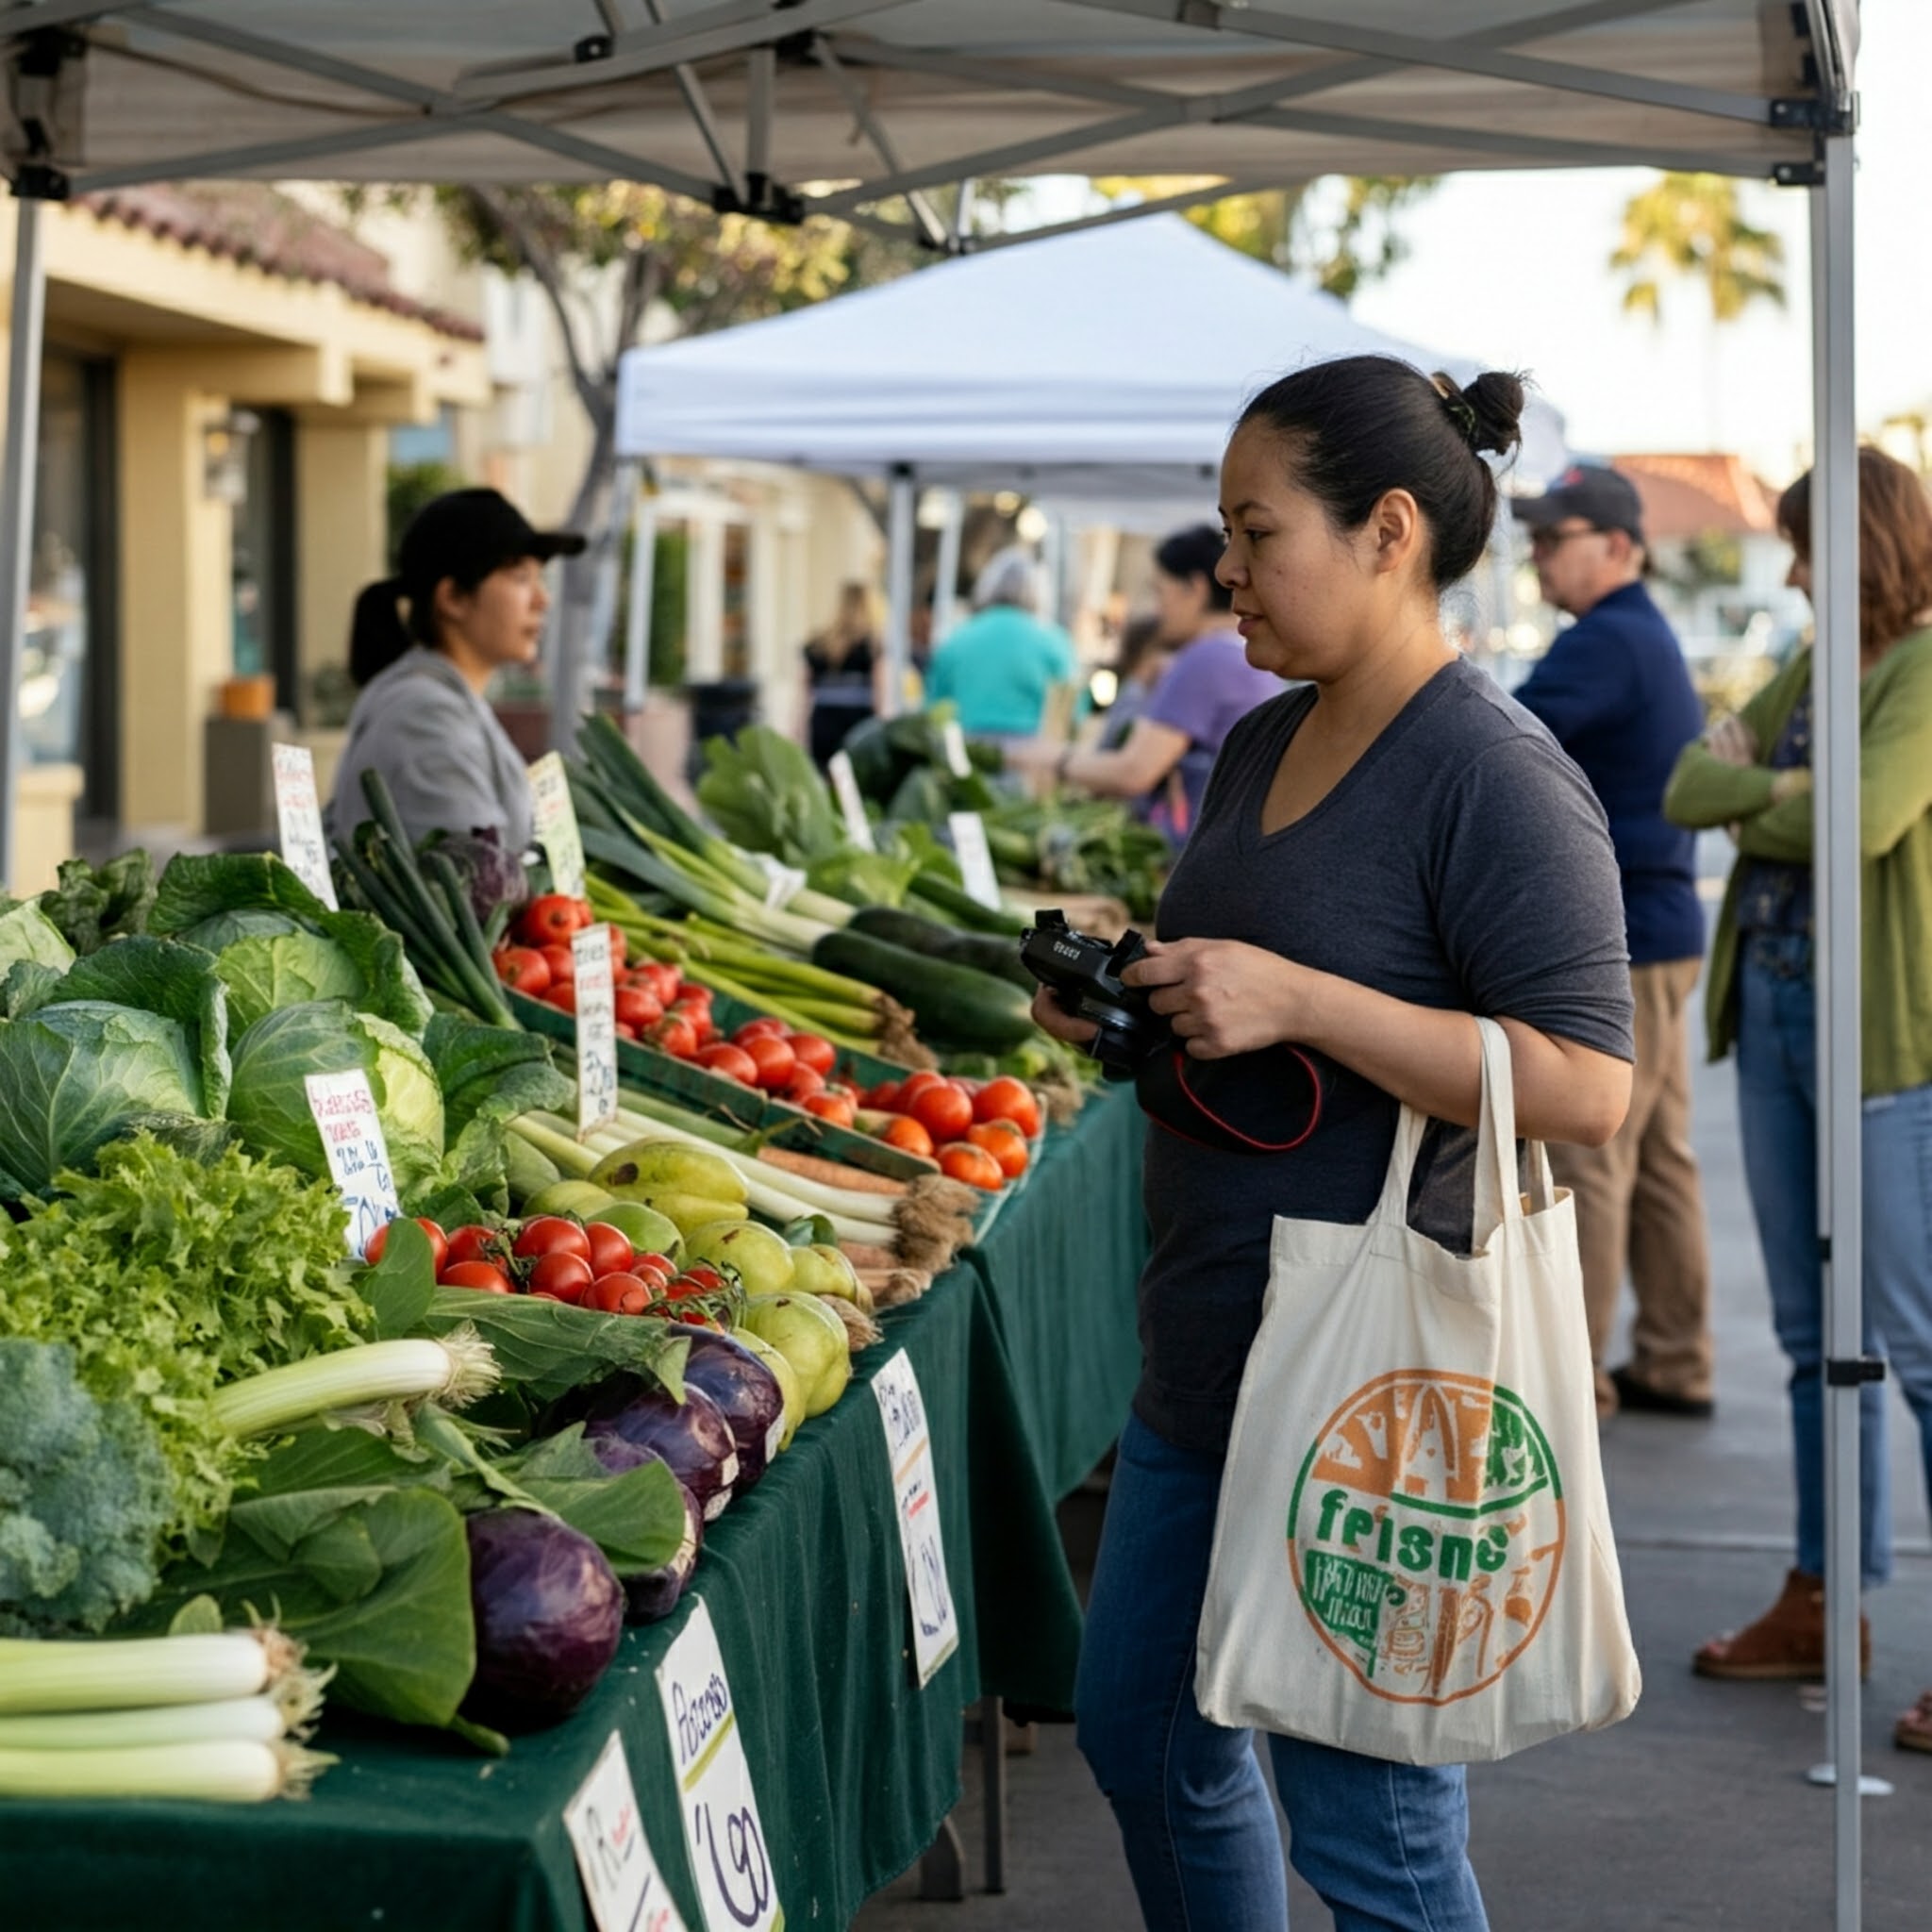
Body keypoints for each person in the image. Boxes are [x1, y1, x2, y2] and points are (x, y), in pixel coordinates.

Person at [1033, 353, 1635, 1930]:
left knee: (1368, 1831)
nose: (1223, 568)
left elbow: (1584, 1086)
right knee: (1146, 1734)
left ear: (1382, 531)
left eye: (1253, 529)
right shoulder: (1257, 738)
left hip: (1372, 1394)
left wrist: (1299, 994)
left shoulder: (1493, 778)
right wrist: (1149, 1009)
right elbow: (1263, 1016)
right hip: (1210, 1348)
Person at [1664, 446, 1932, 1732]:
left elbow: (1868, 816)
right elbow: (1681, 786)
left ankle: (1845, 1596)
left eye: (1807, 544)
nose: (1790, 568)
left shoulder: (1925, 667)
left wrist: (1762, 788)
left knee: (1912, 1346)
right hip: (1772, 1004)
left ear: (1863, 542)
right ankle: (1824, 1598)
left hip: (1879, 1030)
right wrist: (1789, 789)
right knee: (1804, 1337)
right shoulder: (1820, 665)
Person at [1510, 464, 1714, 1420]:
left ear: (1620, 547)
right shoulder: (1637, 635)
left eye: (1557, 537)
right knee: (1658, 1154)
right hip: (1661, 928)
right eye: (1537, 537)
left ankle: (1572, 1374)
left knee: (1594, 1157)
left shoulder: (1604, 640)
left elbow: (1490, 738)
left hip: (1625, 935)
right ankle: (1674, 1356)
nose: (1537, 553)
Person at [328, 488, 582, 850]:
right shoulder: (424, 718)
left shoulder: (443, 700)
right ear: (453, 598)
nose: (543, 599)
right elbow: (478, 880)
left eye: (540, 579)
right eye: (522, 578)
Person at [1010, 523, 1281, 844]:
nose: (1157, 609)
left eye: (1159, 591)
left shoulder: (1205, 659)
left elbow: (1133, 773)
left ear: (1194, 589)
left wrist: (1054, 759)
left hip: (1196, 850)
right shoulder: (1239, 655)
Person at [921, 545, 1078, 741]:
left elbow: (933, 706)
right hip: (1033, 753)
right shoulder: (1054, 641)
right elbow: (1074, 710)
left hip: (967, 747)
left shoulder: (957, 638)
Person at [801, 581, 886, 768]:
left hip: (824, 723)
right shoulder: (870, 646)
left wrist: (798, 732)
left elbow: (804, 694)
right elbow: (879, 695)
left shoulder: (818, 644)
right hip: (859, 725)